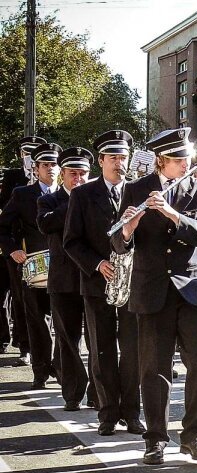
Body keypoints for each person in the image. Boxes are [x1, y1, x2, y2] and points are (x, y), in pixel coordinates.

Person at [111, 127, 197, 465]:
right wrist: (128, 227)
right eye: (178, 160)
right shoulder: (136, 189)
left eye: (188, 158)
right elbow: (118, 242)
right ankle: (155, 438)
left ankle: (194, 434)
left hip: (190, 287)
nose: (185, 165)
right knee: (154, 367)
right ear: (161, 161)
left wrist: (173, 214)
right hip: (152, 287)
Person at [64, 130, 143, 436]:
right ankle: (107, 413)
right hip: (98, 283)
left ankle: (132, 413)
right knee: (102, 350)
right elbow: (72, 241)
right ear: (100, 161)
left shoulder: (138, 192)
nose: (119, 163)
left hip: (132, 284)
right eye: (113, 158)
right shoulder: (83, 194)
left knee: (133, 350)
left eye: (123, 157)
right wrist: (98, 264)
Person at [0, 142, 60, 389]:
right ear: (36, 169)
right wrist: (13, 249)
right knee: (37, 320)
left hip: (67, 266)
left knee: (66, 320)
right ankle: (41, 370)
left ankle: (62, 367)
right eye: (45, 165)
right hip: (33, 267)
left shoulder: (72, 193)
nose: (51, 169)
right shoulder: (22, 194)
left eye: (54, 164)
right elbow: (2, 227)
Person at [37, 147, 91, 411]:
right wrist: (75, 199)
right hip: (63, 279)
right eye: (73, 174)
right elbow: (45, 224)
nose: (78, 178)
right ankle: (72, 391)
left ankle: (97, 391)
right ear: (63, 176)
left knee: (96, 338)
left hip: (92, 277)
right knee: (67, 338)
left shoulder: (95, 197)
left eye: (83, 174)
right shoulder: (51, 201)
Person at [1, 136, 45, 364]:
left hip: (46, 248)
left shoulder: (52, 175)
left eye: (34, 152)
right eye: (27, 152)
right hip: (21, 247)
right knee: (21, 298)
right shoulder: (13, 177)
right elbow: (5, 209)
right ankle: (24, 346)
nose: (30, 156)